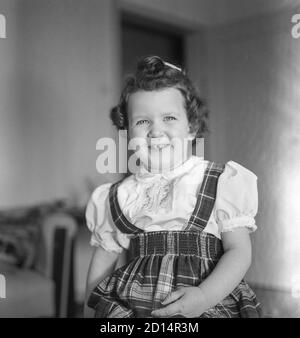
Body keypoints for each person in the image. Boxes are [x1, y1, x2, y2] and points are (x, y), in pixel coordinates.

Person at [84, 55, 261, 318]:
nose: (155, 132)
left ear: (192, 127)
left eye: (169, 118)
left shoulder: (219, 182)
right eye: (143, 121)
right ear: (128, 132)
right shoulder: (120, 196)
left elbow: (239, 251)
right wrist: (89, 311)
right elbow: (102, 262)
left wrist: (205, 296)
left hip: (206, 303)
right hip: (138, 307)